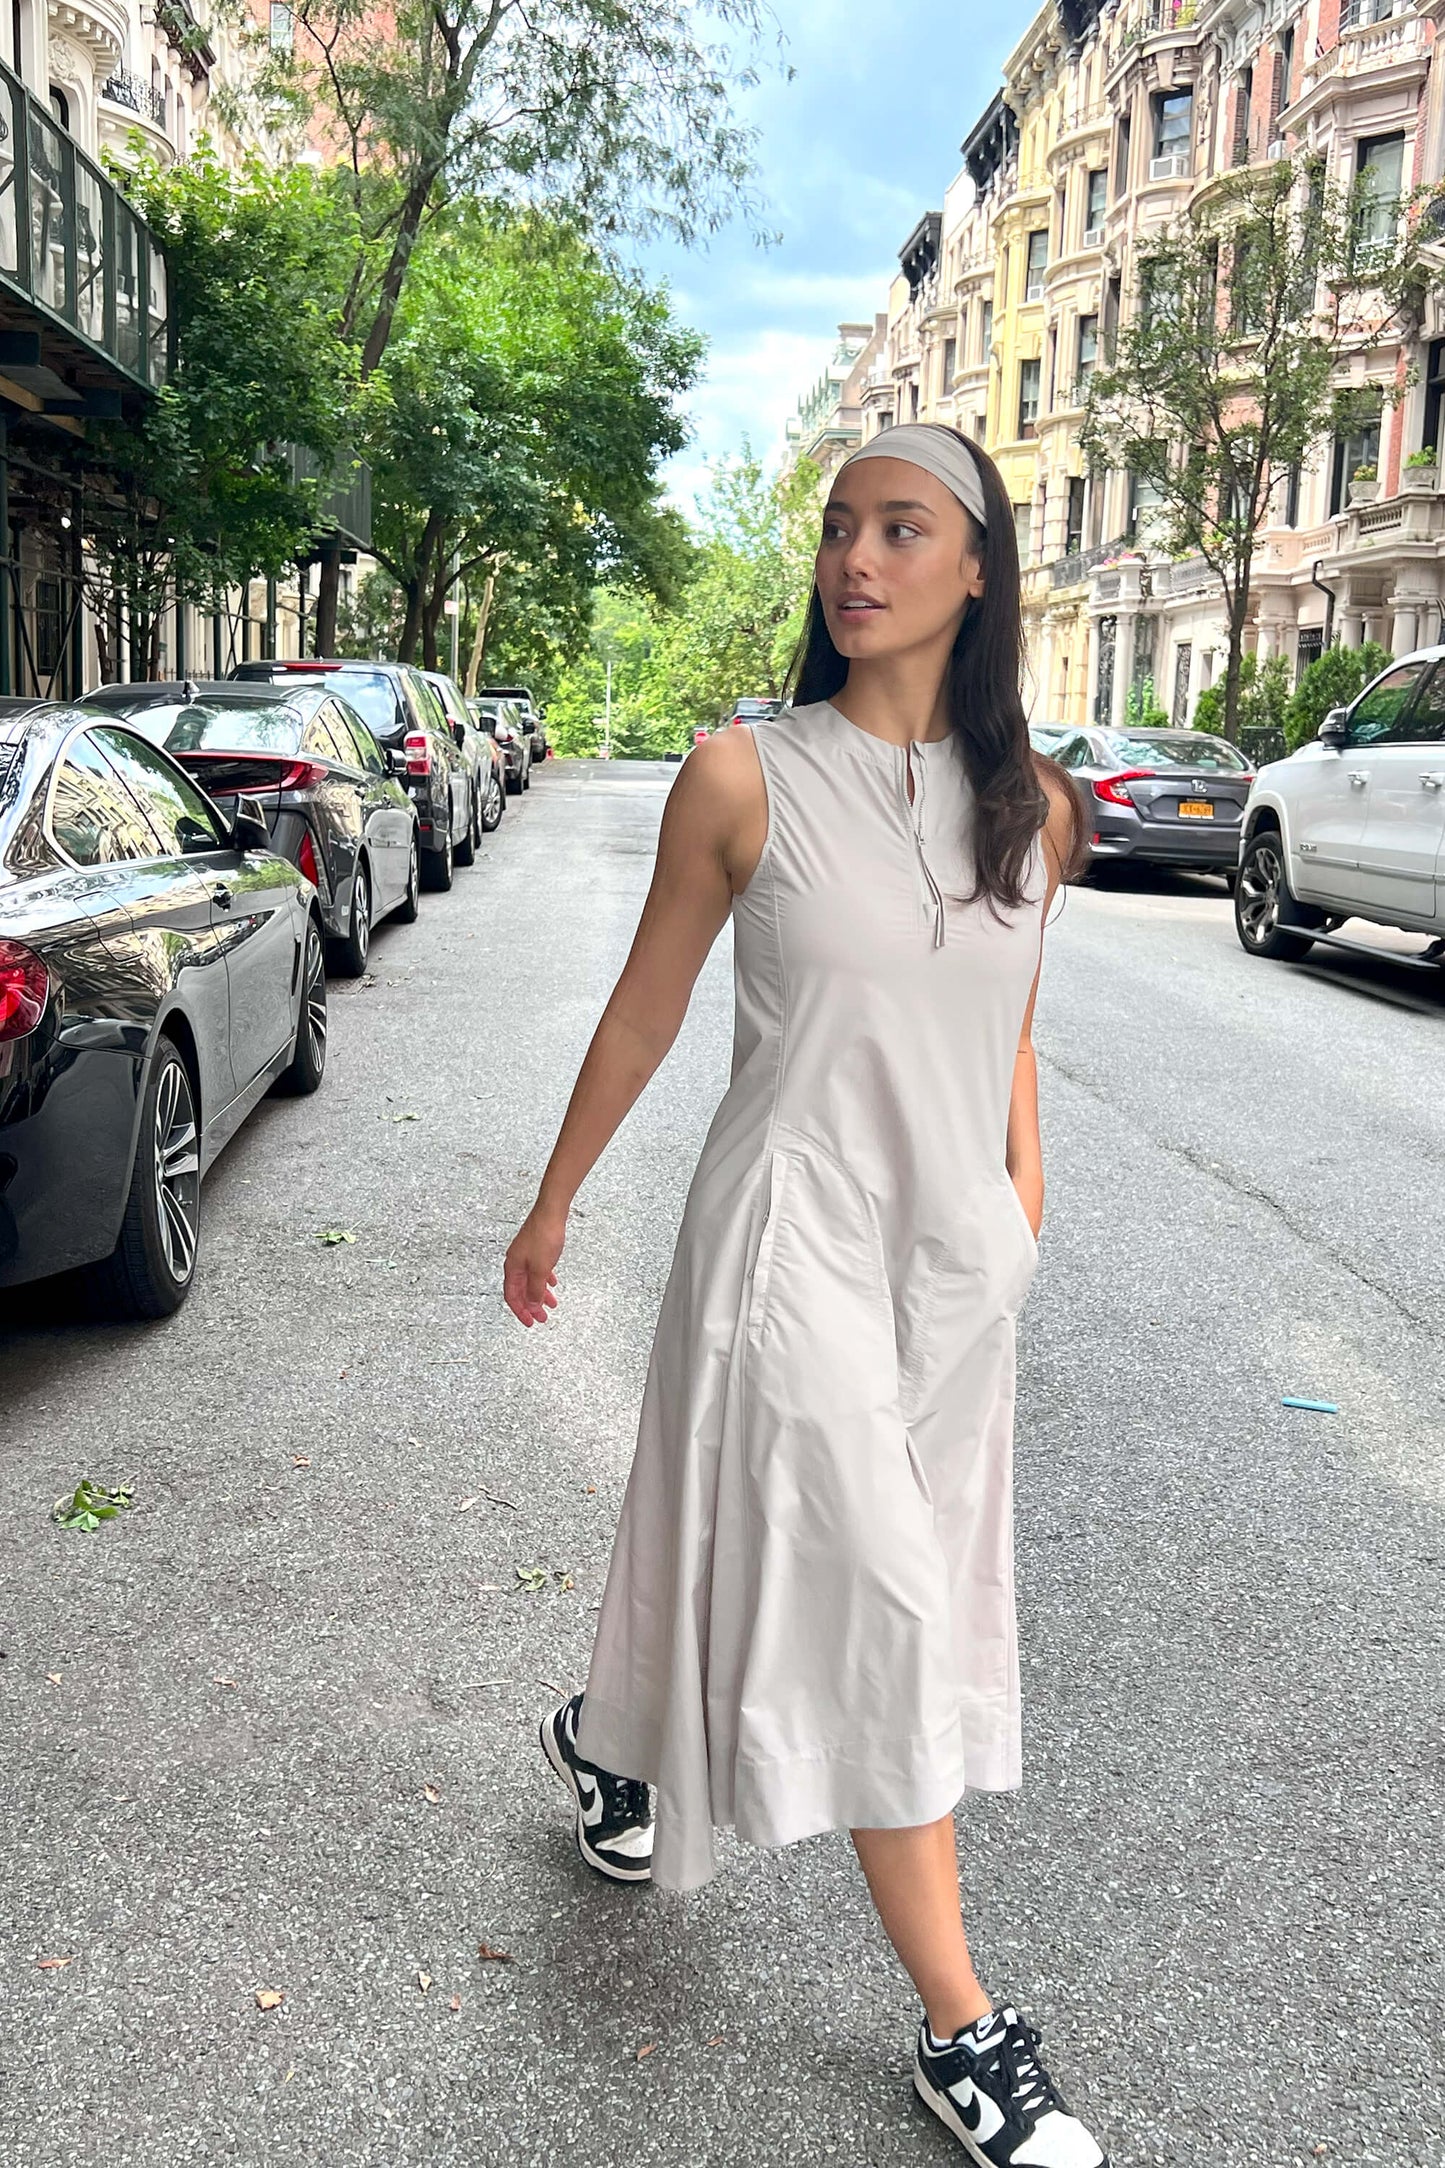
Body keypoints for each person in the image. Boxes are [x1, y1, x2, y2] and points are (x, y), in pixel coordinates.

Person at [504, 423, 1103, 2168]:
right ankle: (966, 2032)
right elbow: (643, 1009)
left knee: (811, 1562)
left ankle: (609, 1739)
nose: (855, 559)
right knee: (881, 1610)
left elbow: (1008, 1036)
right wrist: (552, 1208)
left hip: (949, 1270)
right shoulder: (742, 774)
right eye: (839, 529)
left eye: (899, 529)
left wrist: (1019, 1221)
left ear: (977, 568)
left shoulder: (1039, 809)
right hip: (788, 1248)